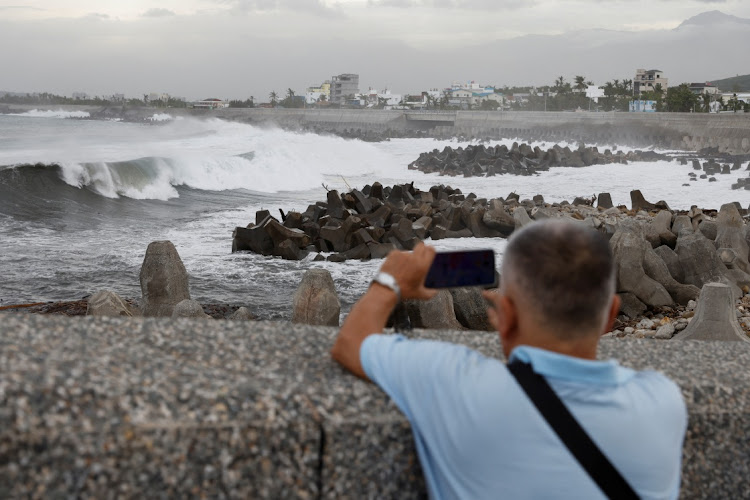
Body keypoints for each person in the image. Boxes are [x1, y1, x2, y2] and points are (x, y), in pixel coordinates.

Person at [331, 219, 687, 499]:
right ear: (610, 316)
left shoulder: (453, 383)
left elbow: (351, 341)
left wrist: (390, 281)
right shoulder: (664, 402)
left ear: (506, 314)